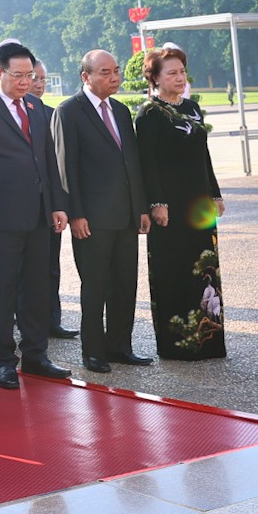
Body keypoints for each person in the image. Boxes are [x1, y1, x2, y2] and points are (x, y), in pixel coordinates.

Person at [0, 42, 69, 388]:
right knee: (1, 289)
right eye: (19, 75)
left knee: (37, 287)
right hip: (0, 219)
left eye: (31, 76)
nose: (26, 82)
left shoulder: (38, 108)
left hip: (39, 215)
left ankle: (36, 355)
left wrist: (57, 205)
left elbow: (50, 161)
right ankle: (4, 360)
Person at [53, 50, 151, 372]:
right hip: (92, 219)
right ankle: (93, 351)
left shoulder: (122, 111)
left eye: (117, 71)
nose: (115, 77)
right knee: (94, 286)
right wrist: (76, 214)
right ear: (86, 77)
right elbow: (66, 167)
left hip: (125, 216)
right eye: (106, 72)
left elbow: (133, 164)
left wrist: (141, 208)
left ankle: (120, 345)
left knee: (125, 284)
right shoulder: (69, 111)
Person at [134, 45, 226, 362]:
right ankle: (179, 345)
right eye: (171, 72)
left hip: (198, 203)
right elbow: (147, 163)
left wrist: (215, 193)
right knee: (173, 270)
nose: (179, 77)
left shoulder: (193, 108)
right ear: (155, 78)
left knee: (205, 269)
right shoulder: (149, 114)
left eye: (182, 71)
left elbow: (204, 154)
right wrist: (156, 202)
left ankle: (209, 341)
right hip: (169, 206)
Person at [29, 60, 78, 340]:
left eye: (42, 79)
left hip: (50, 206)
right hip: (20, 210)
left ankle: (52, 320)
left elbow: (60, 167)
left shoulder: (52, 114)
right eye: (33, 78)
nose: (38, 84)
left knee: (50, 266)